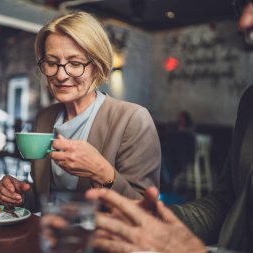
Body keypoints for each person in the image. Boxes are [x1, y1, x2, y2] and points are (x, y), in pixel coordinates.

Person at [86, 1, 253, 252]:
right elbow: (227, 204)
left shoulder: (132, 116)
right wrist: (155, 219)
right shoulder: (250, 102)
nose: (243, 22)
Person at [0, 11, 161, 211]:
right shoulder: (45, 118)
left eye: (75, 63)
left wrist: (103, 173)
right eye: (52, 63)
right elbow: (47, 199)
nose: (61, 75)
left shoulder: (132, 119)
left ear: (97, 66)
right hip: (49, 234)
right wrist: (18, 194)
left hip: (101, 239)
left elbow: (147, 212)